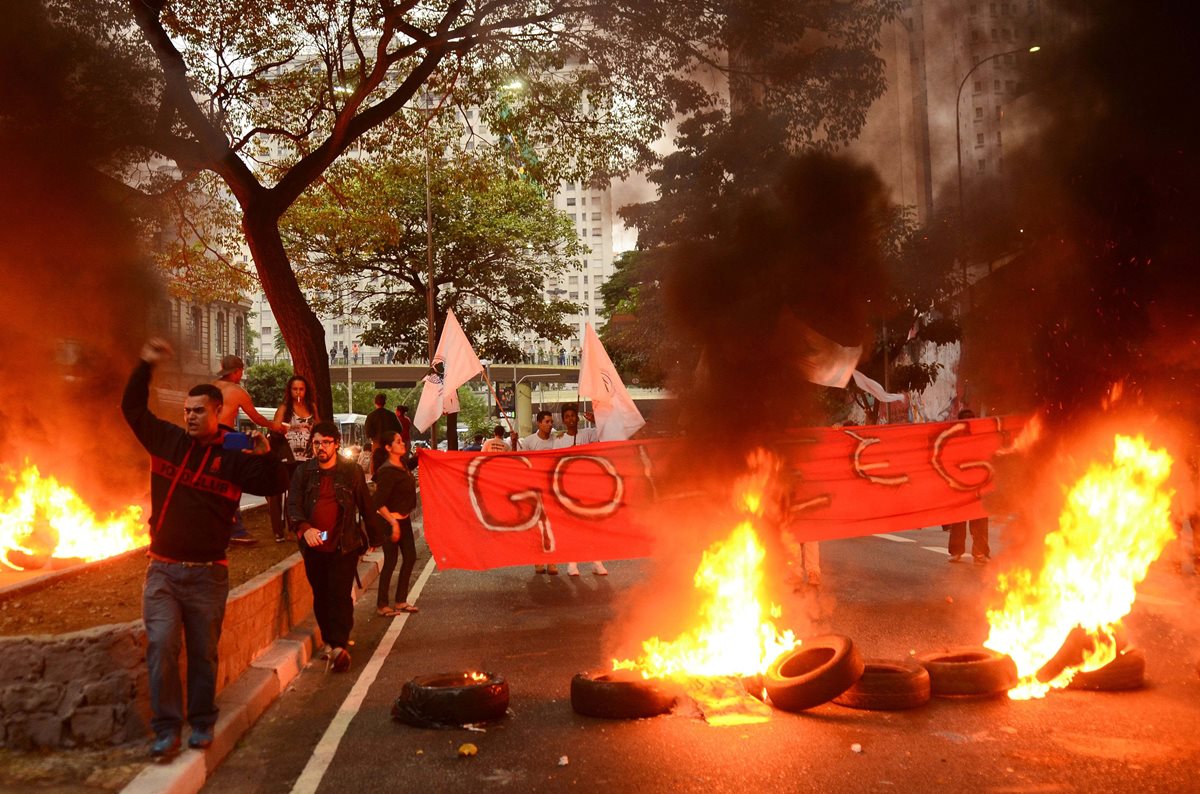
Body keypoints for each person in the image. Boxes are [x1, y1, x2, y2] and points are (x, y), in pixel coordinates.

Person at [122, 338, 288, 758]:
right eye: (187, 411)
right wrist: (145, 365)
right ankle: (165, 729)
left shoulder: (234, 457)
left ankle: (200, 722)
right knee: (161, 645)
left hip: (208, 575)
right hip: (162, 571)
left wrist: (268, 454)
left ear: (219, 413)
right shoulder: (168, 442)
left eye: (199, 411)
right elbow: (133, 410)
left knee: (202, 654)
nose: (191, 417)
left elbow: (275, 483)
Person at [286, 421, 374, 673]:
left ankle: (339, 644)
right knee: (322, 596)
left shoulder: (351, 471)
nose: (321, 447)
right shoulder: (304, 472)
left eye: (326, 442)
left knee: (340, 594)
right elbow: (292, 505)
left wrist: (376, 536)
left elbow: (364, 503)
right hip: (314, 548)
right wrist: (305, 528)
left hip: (343, 544)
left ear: (336, 444)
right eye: (316, 443)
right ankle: (330, 640)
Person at [213, 354, 284, 546]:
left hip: (207, 440)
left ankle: (226, 529)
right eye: (241, 371)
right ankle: (236, 531)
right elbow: (256, 418)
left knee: (214, 486)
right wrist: (275, 426)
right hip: (224, 441)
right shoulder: (237, 391)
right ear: (237, 372)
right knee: (234, 481)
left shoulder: (211, 387)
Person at [554, 403, 608, 577]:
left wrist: (596, 420)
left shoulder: (588, 433)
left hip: (589, 486)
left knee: (592, 525)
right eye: (567, 416)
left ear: (577, 418)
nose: (570, 419)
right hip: (569, 487)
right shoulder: (559, 439)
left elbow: (604, 436)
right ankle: (572, 562)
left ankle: (597, 561)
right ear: (563, 420)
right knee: (573, 526)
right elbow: (554, 461)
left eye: (573, 415)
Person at [267, 375, 319, 543]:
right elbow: (274, 427)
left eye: (301, 389)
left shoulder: (311, 406)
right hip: (286, 456)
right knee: (279, 492)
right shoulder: (284, 408)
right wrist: (294, 426)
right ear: (289, 391)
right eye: (295, 389)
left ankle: (297, 525)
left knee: (301, 493)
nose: (298, 392)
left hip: (306, 456)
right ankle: (279, 530)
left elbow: (319, 426)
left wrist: (313, 428)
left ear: (306, 390)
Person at [373, 431, 419, 616]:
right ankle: (382, 605)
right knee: (390, 562)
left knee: (410, 557)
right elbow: (377, 502)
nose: (403, 444)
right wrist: (393, 523)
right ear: (388, 447)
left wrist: (418, 456)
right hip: (389, 522)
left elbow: (410, 465)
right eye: (398, 442)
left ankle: (400, 601)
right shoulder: (386, 472)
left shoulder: (401, 464)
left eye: (402, 441)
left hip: (404, 519)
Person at [514, 411, 558, 573]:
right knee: (536, 526)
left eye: (551, 421)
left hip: (551, 489)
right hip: (533, 489)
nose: (550, 424)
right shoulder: (529, 441)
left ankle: (552, 561)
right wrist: (513, 443)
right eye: (546, 421)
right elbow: (520, 462)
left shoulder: (557, 440)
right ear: (539, 423)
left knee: (552, 525)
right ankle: (538, 559)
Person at [946, 408, 991, 563]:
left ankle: (979, 552)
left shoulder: (981, 439)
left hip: (978, 484)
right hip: (960, 485)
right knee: (959, 519)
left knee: (979, 517)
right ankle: (958, 551)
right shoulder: (953, 441)